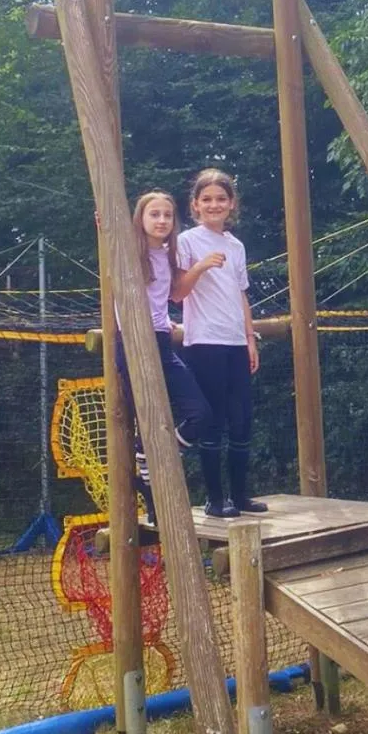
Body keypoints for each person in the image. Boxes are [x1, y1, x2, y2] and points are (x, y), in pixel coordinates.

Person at [121, 189, 217, 525]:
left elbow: (167, 294)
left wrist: (166, 319)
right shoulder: (130, 251)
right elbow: (109, 241)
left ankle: (150, 455)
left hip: (161, 340)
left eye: (167, 215)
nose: (161, 220)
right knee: (147, 422)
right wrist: (103, 226)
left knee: (201, 414)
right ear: (140, 219)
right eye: (154, 214)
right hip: (131, 341)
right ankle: (153, 505)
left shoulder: (168, 255)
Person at [176, 168, 267, 517]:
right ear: (195, 205)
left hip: (234, 342)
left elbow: (241, 294)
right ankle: (215, 501)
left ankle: (240, 497)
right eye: (207, 199)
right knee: (212, 422)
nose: (214, 204)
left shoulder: (236, 245)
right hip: (204, 341)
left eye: (221, 199)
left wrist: (250, 338)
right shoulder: (187, 241)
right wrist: (200, 267)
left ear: (231, 204)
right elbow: (177, 292)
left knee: (241, 420)